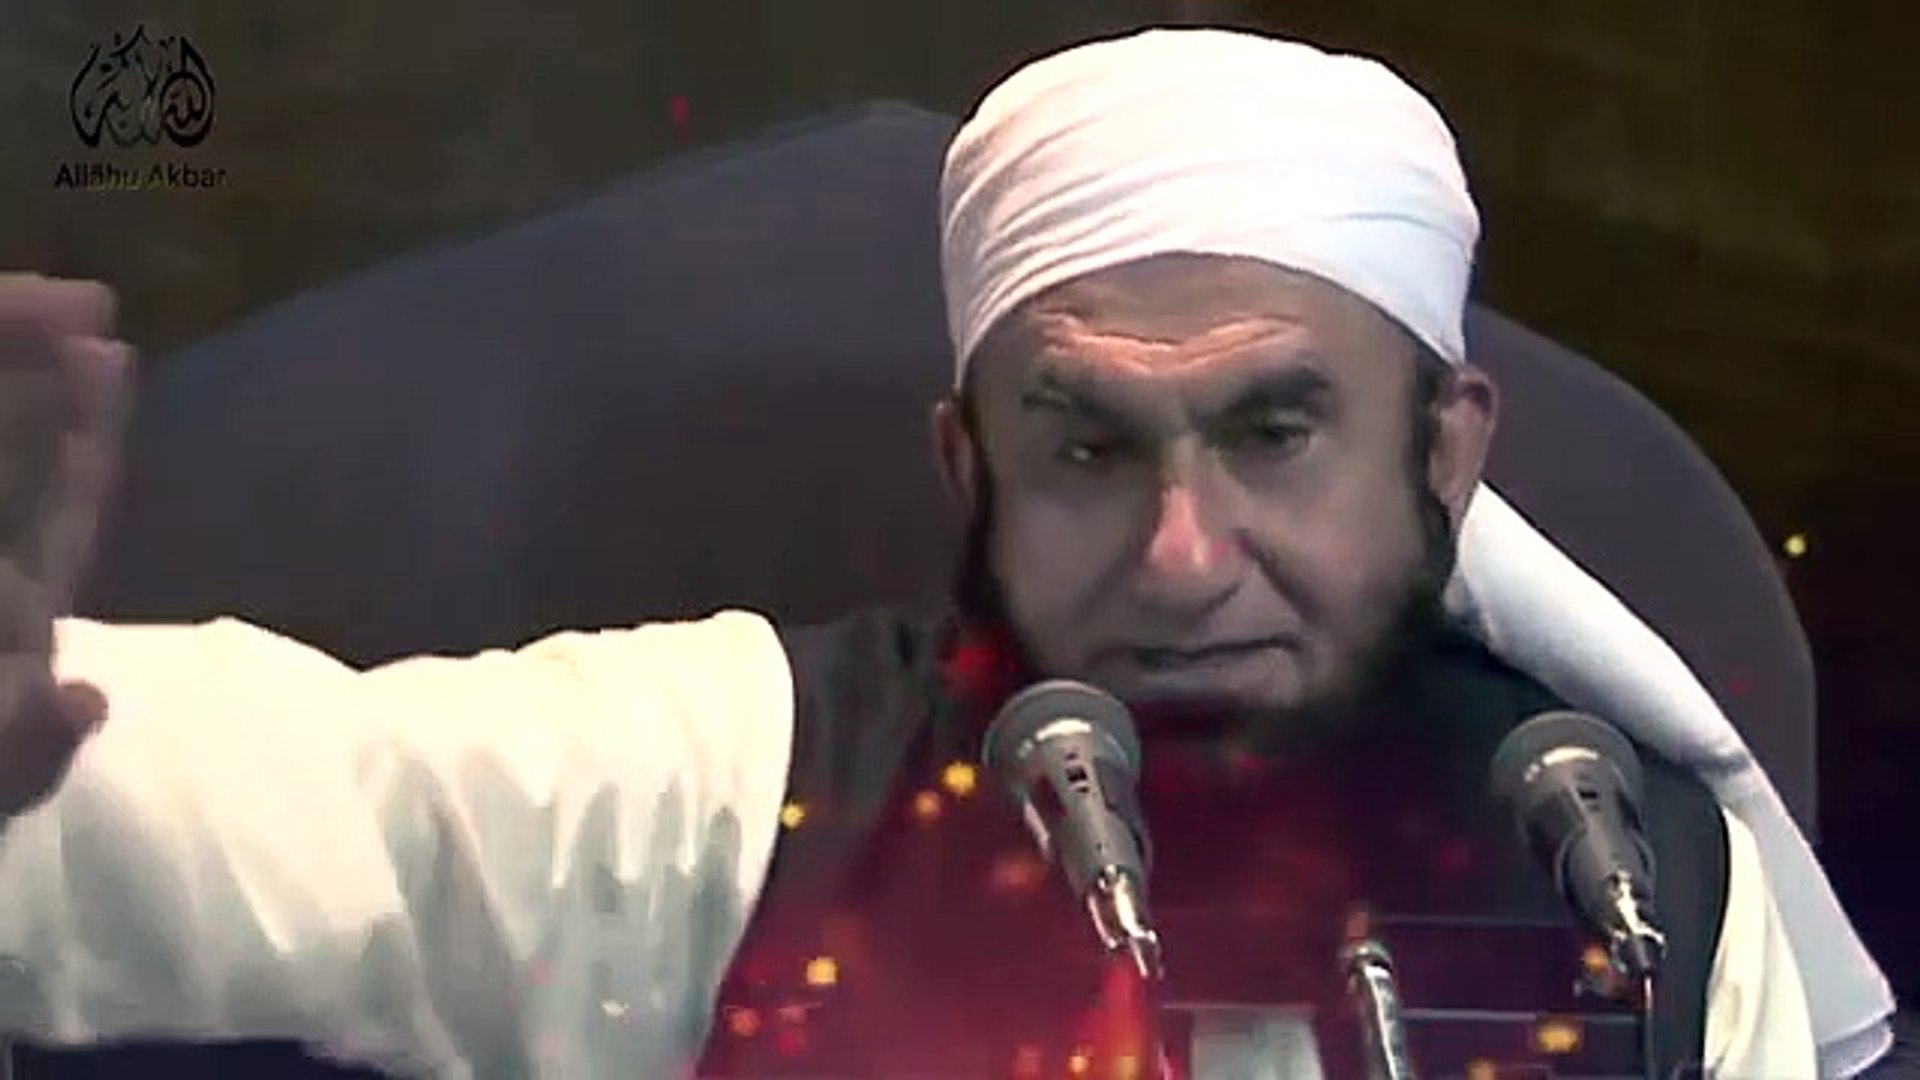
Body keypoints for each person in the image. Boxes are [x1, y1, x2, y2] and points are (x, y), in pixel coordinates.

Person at [0, 27, 1898, 1080]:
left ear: (1448, 452)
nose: (1182, 558)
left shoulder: (1638, 883)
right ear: (963, 464)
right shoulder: (749, 798)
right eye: (1086, 447)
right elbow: (267, 798)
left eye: (1275, 434)